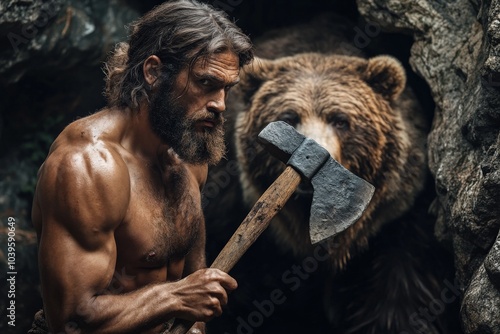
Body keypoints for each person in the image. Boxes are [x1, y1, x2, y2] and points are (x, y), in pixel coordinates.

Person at [29, 0, 253, 333]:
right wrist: (176, 298)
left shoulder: (187, 156)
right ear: (153, 72)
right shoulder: (86, 168)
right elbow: (73, 321)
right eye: (205, 83)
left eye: (226, 89)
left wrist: (193, 325)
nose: (220, 104)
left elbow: (194, 281)